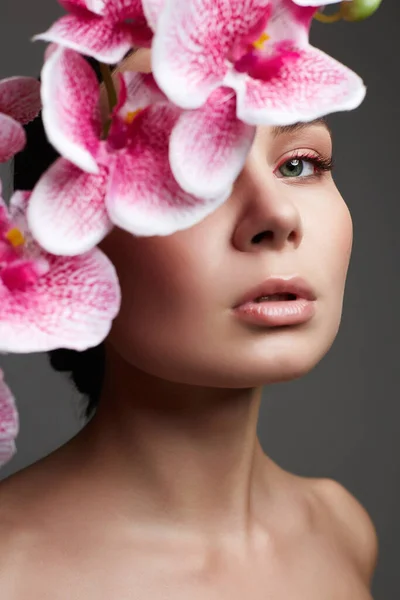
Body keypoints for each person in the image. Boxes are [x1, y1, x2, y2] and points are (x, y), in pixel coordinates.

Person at [0, 49, 378, 598]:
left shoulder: (342, 530)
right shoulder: (12, 573)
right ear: (64, 239)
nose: (277, 217)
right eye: (188, 167)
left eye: (298, 164)